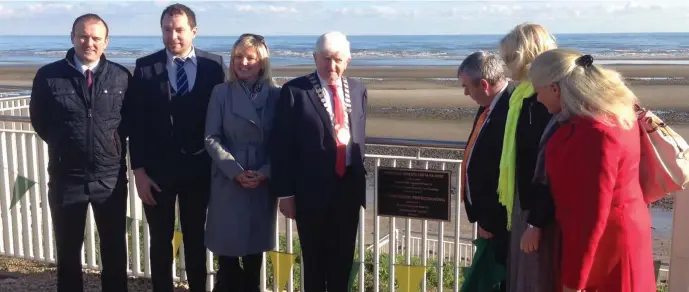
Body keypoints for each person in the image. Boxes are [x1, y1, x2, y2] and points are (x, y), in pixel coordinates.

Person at [529, 49, 656, 292]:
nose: (537, 98)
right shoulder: (615, 114)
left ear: (555, 89)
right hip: (624, 232)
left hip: (606, 248)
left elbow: (589, 214)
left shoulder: (591, 132)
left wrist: (574, 281)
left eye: (538, 90)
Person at [29, 13, 131, 292]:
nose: (89, 42)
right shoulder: (49, 76)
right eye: (83, 36)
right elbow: (40, 121)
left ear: (106, 41)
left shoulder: (121, 76)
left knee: (113, 250)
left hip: (109, 178)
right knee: (68, 252)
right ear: (72, 37)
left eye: (96, 37)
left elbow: (129, 122)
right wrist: (66, 146)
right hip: (66, 177)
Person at [127, 4, 225, 292]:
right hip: (157, 173)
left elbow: (222, 117)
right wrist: (139, 171)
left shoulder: (214, 66)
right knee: (160, 239)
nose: (173, 36)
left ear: (193, 31)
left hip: (199, 170)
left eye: (179, 29)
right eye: (167, 30)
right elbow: (136, 124)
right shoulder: (145, 67)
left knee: (196, 238)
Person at [270, 31, 368, 292]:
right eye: (325, 58)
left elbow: (359, 137)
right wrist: (286, 194)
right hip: (310, 193)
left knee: (343, 260)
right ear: (314, 58)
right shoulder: (295, 91)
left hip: (347, 189)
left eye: (337, 59)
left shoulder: (358, 90)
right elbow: (281, 147)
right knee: (314, 262)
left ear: (348, 60)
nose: (331, 66)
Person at [203, 33, 280, 292]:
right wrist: (235, 171)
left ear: (262, 62)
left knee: (254, 256)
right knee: (227, 257)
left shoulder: (276, 95)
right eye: (238, 56)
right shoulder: (221, 93)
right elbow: (211, 137)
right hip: (229, 181)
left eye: (250, 57)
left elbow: (282, 143)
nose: (243, 62)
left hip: (261, 183)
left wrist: (265, 172)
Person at [497, 23, 557, 292]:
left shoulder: (543, 98)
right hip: (523, 202)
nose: (506, 65)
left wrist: (536, 220)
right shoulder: (521, 95)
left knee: (535, 276)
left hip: (538, 209)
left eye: (509, 58)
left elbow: (547, 164)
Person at [456, 51, 514, 289]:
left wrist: (490, 219)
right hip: (487, 220)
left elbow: (503, 170)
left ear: (484, 84)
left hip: (501, 223)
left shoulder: (514, 105)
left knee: (498, 279)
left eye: (467, 86)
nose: (465, 93)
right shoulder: (488, 103)